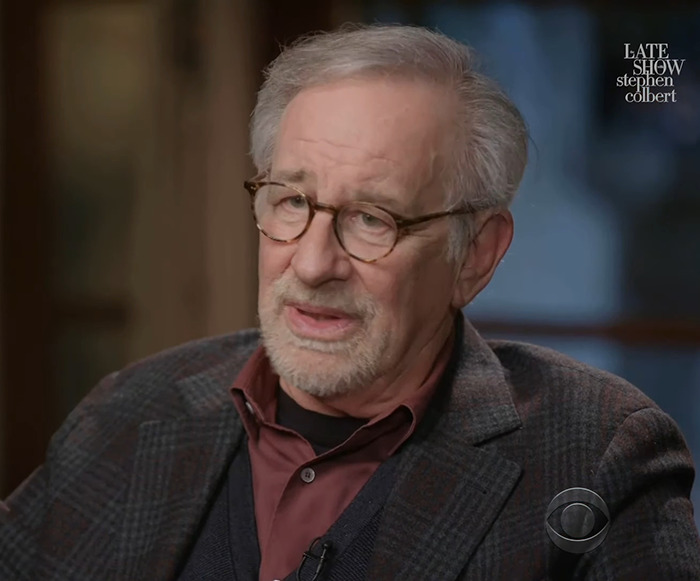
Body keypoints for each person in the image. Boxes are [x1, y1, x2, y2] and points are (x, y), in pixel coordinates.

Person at [1, 23, 699, 581]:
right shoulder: (131, 411)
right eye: (293, 201)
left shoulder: (595, 453)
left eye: (373, 219)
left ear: (476, 254)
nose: (311, 263)